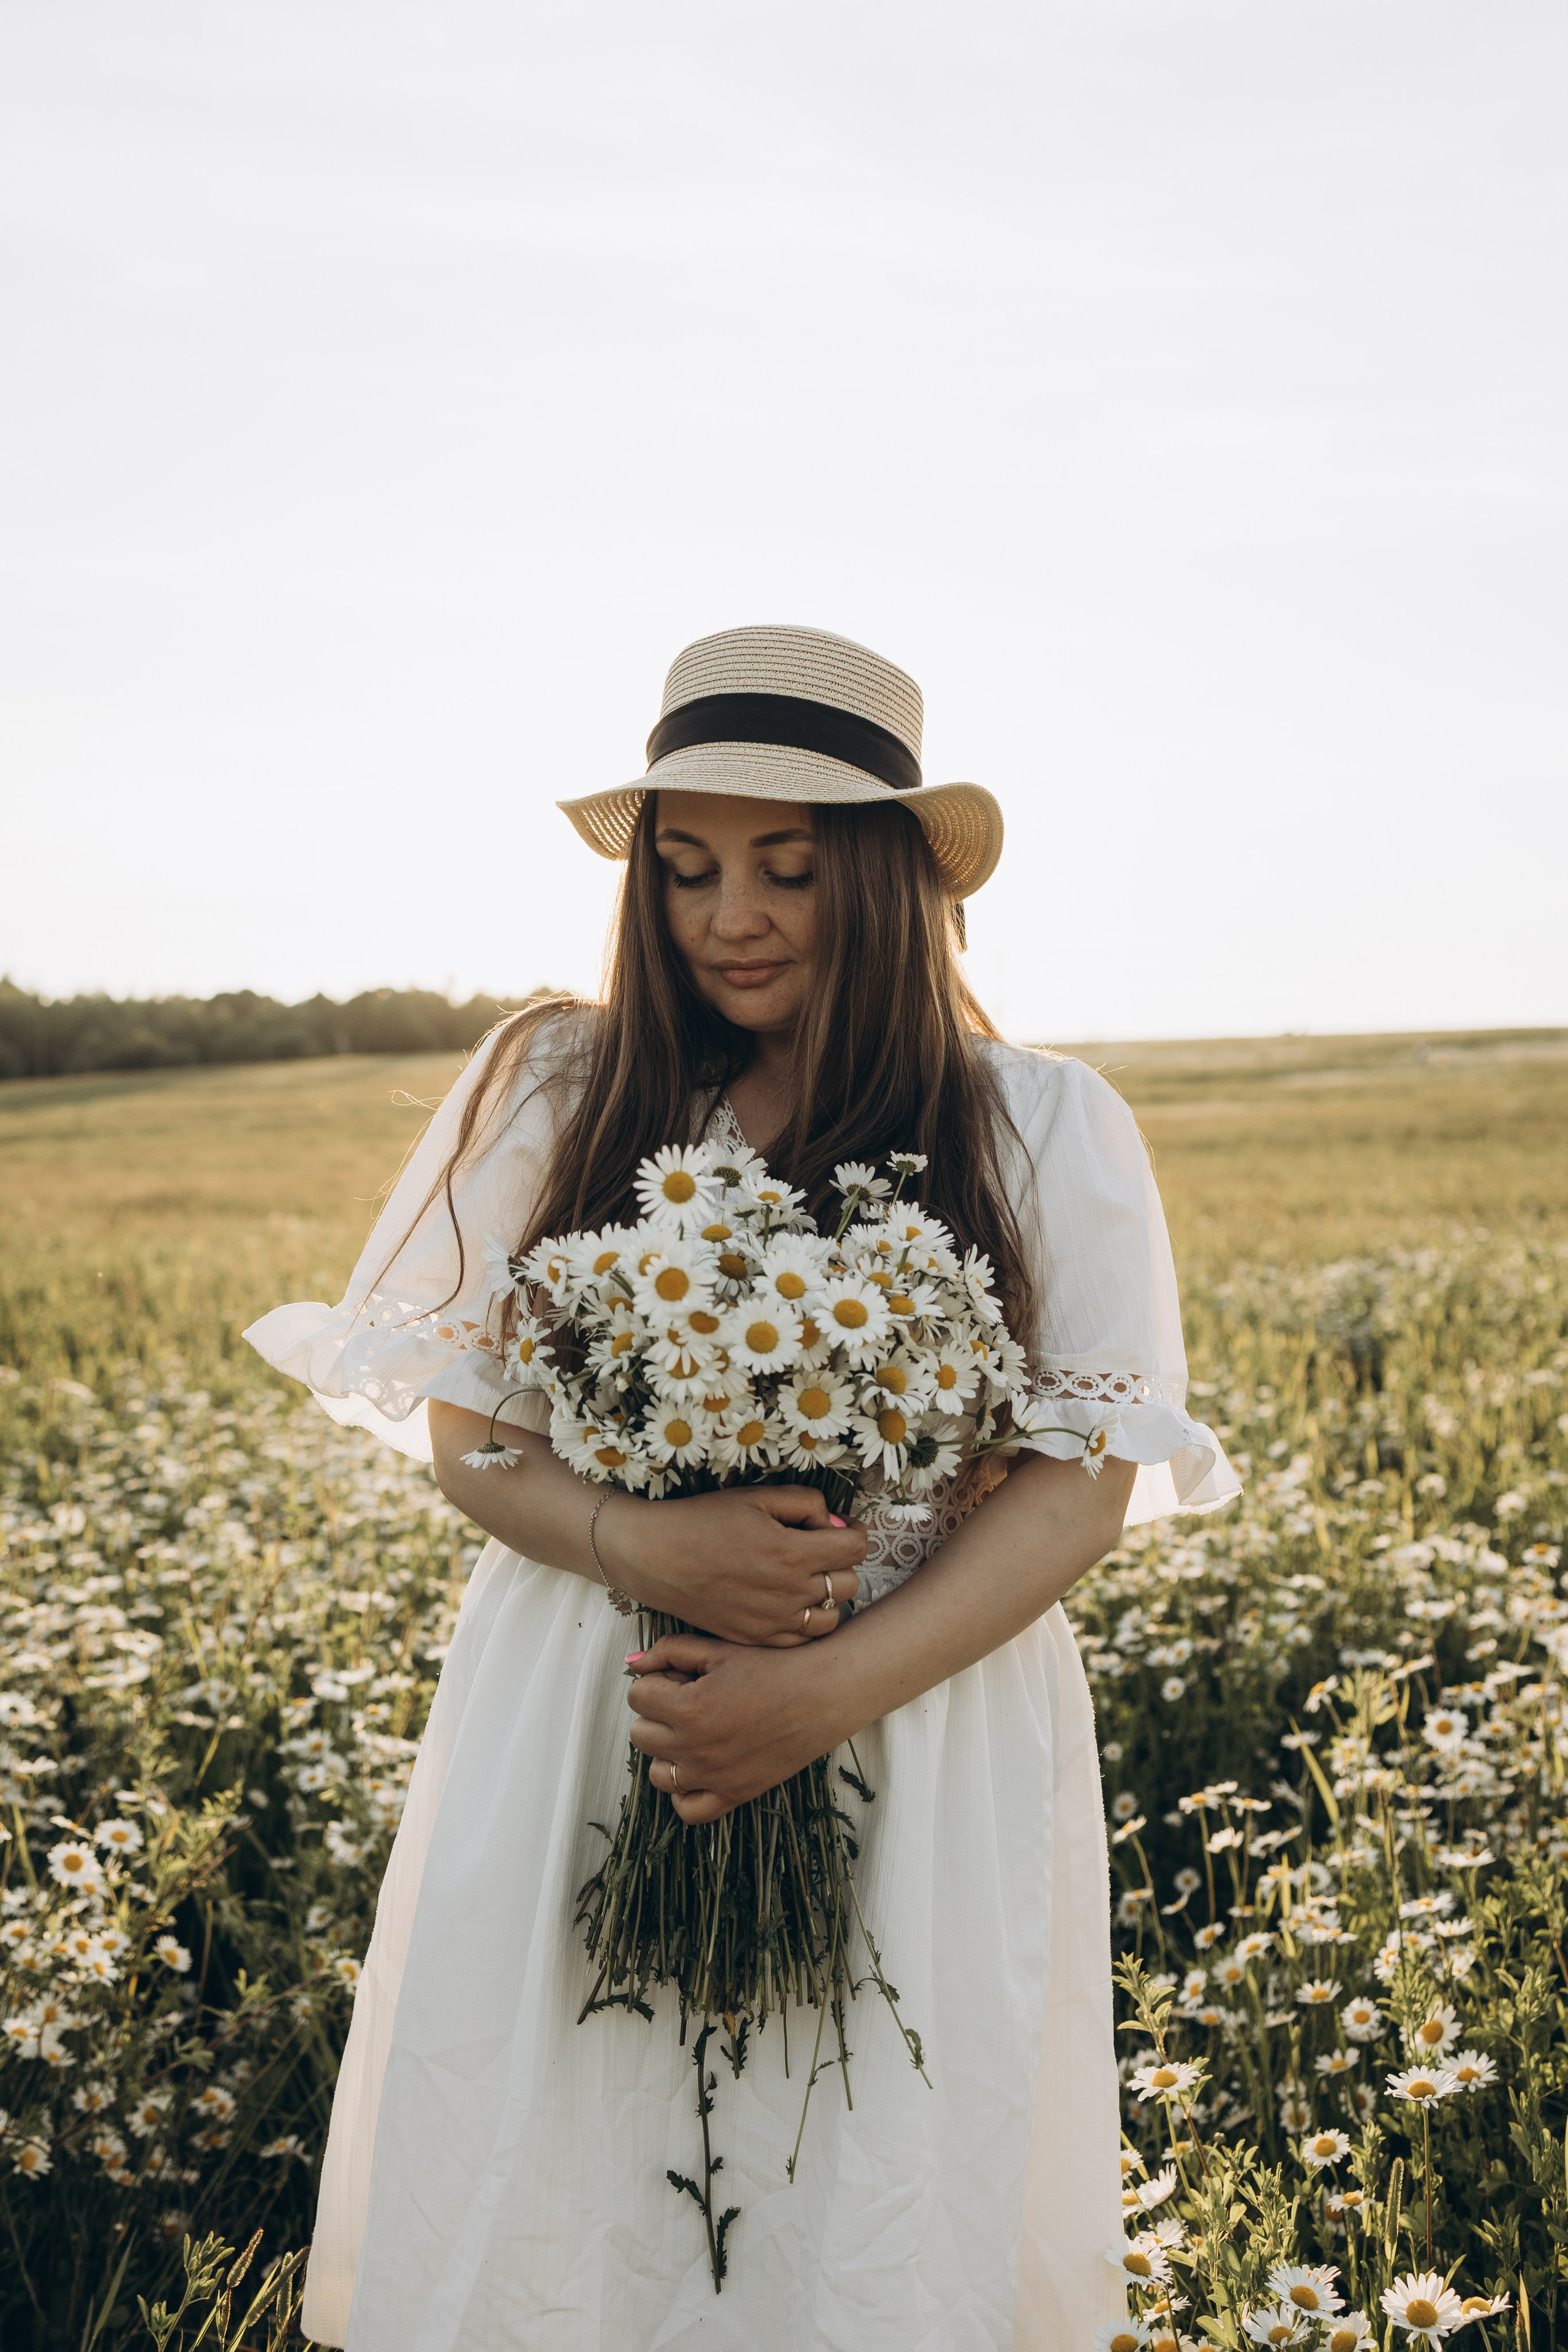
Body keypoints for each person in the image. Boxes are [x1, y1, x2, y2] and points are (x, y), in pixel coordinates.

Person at [246, 623, 1239, 2352]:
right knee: (577, 2159)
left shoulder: (1041, 1124)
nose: (733, 914)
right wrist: (646, 1541)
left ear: (895, 880)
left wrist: (811, 1696)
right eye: (690, 868)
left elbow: (1077, 1494)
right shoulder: (564, 1085)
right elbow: (467, 1429)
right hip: (600, 1712)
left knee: (872, 2185)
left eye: (789, 866)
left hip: (913, 1717)